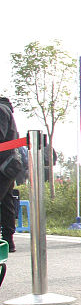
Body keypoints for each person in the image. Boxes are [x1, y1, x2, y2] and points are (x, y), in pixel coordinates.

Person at [0, 96, 20, 251]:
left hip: (3, 164)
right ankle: (8, 241)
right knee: (7, 202)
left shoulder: (1, 110)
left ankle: (8, 240)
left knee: (6, 201)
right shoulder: (7, 110)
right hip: (8, 164)